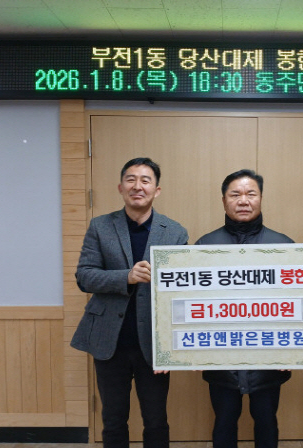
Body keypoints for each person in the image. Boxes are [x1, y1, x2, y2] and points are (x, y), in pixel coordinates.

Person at [70, 157, 188, 448]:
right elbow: (84, 276)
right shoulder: (100, 226)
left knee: (156, 420)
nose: (138, 186)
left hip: (154, 344)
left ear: (156, 190)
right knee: (113, 419)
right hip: (109, 340)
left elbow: (181, 292)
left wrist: (171, 348)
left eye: (145, 180)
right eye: (131, 179)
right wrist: (126, 277)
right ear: (120, 187)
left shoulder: (175, 232)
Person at [195, 169, 293, 448]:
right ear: (223, 200)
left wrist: (294, 350)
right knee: (224, 421)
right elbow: (192, 305)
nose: (243, 201)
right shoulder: (204, 246)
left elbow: (297, 304)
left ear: (261, 198)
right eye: (235, 194)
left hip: (269, 357)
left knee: (267, 421)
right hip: (221, 358)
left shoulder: (284, 246)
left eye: (251, 194)